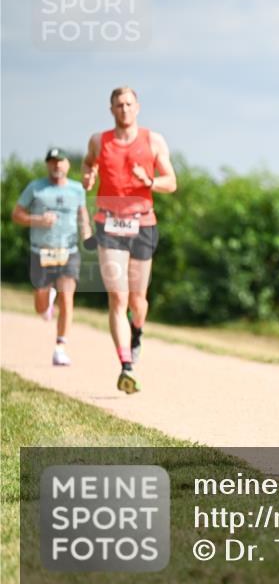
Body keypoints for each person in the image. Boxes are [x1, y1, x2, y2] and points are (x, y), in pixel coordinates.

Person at [82, 86, 177, 394]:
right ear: (111, 110)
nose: (124, 109)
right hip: (108, 224)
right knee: (118, 297)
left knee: (137, 301)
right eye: (118, 105)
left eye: (128, 104)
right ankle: (126, 365)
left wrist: (149, 181)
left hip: (142, 224)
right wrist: (88, 176)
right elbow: (88, 162)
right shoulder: (99, 141)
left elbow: (171, 182)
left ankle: (137, 332)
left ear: (137, 108)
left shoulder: (153, 140)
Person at [12, 148, 93, 366]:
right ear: (47, 165)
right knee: (40, 301)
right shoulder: (36, 188)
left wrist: (86, 232)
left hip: (69, 251)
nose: (56, 166)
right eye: (52, 162)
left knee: (67, 297)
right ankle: (46, 304)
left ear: (67, 164)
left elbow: (82, 214)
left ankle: (60, 347)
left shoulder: (77, 190)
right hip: (41, 252)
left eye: (60, 162)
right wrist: (37, 220)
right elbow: (16, 214)